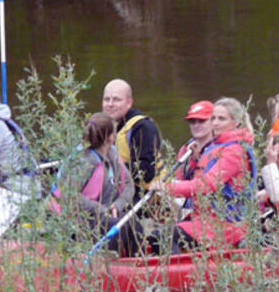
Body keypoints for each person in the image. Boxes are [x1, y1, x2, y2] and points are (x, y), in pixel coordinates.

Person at [148, 97, 256, 254]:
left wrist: (168, 188)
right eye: (213, 118)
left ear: (236, 122)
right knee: (159, 236)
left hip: (224, 225)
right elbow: (201, 176)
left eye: (222, 119)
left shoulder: (234, 151)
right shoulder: (216, 146)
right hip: (205, 220)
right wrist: (194, 161)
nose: (216, 123)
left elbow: (207, 185)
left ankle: (180, 274)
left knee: (161, 236)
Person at [52, 112, 143, 256]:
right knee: (120, 226)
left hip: (103, 214)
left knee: (133, 224)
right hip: (80, 221)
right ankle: (107, 262)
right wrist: (100, 209)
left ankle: (136, 264)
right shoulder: (85, 161)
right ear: (111, 137)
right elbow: (69, 196)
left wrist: (117, 205)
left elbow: (128, 185)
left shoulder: (112, 154)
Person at [102, 79, 161, 203]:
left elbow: (146, 172)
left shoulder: (142, 127)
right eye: (106, 99)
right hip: (126, 188)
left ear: (129, 103)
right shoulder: (110, 127)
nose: (110, 104)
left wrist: (107, 169)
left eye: (116, 99)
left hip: (149, 194)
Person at [175, 100, 215, 181]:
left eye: (202, 121)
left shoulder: (222, 148)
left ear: (213, 121)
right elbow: (178, 179)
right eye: (192, 121)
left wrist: (197, 160)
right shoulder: (184, 150)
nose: (196, 125)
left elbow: (209, 184)